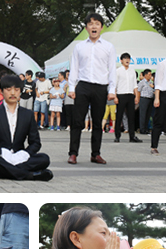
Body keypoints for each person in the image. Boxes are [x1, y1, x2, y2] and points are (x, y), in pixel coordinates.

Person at [0, 75, 53, 181]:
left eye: (16, 90)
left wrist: (25, 154)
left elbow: (35, 143)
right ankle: (28, 175)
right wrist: (1, 152)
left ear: (20, 92)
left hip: (20, 157)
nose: (13, 93)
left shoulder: (28, 114)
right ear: (2, 91)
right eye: (8, 90)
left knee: (44, 159)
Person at [68, 13, 117, 165]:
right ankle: (73, 153)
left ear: (101, 27)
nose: (94, 26)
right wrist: (71, 87)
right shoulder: (79, 47)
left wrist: (112, 90)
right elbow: (74, 67)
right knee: (77, 121)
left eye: (97, 24)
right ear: (86, 28)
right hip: (83, 85)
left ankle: (95, 154)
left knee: (97, 122)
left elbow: (112, 69)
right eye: (90, 24)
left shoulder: (109, 47)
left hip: (100, 87)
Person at [114, 52, 141, 143]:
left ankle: (132, 136)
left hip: (130, 95)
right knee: (119, 115)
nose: (127, 60)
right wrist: (115, 96)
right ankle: (117, 136)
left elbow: (135, 85)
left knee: (131, 116)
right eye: (125, 58)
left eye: (128, 58)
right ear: (121, 60)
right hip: (121, 94)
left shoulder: (132, 71)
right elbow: (115, 85)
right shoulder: (118, 71)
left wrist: (136, 96)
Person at [137, 69, 155, 134]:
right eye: (149, 74)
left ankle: (146, 128)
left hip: (150, 99)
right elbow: (138, 91)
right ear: (145, 75)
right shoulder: (142, 82)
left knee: (148, 115)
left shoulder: (151, 83)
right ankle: (142, 129)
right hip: (144, 99)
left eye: (151, 75)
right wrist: (138, 99)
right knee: (143, 114)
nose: (150, 76)